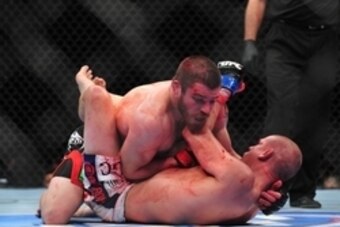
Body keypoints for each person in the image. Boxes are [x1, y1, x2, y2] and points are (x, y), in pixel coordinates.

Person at [39, 56, 282, 224]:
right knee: (53, 217)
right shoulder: (151, 120)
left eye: (212, 99)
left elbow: (227, 156)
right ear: (177, 89)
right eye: (199, 99)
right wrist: (173, 162)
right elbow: (129, 171)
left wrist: (260, 189)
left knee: (109, 102)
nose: (206, 109)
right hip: (116, 157)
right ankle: (84, 100)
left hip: (140, 155)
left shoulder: (212, 108)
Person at [77, 75, 303, 224]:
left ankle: (83, 85)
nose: (252, 147)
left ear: (266, 154)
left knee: (99, 99)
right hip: (131, 193)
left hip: (113, 191)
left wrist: (223, 92)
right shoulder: (249, 207)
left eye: (258, 146)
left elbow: (195, 131)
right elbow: (222, 142)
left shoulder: (239, 177)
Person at [241, 0, 339, 208]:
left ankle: (302, 192)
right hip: (285, 38)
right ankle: (267, 189)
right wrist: (250, 40)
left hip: (326, 41)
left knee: (315, 117)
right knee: (281, 113)